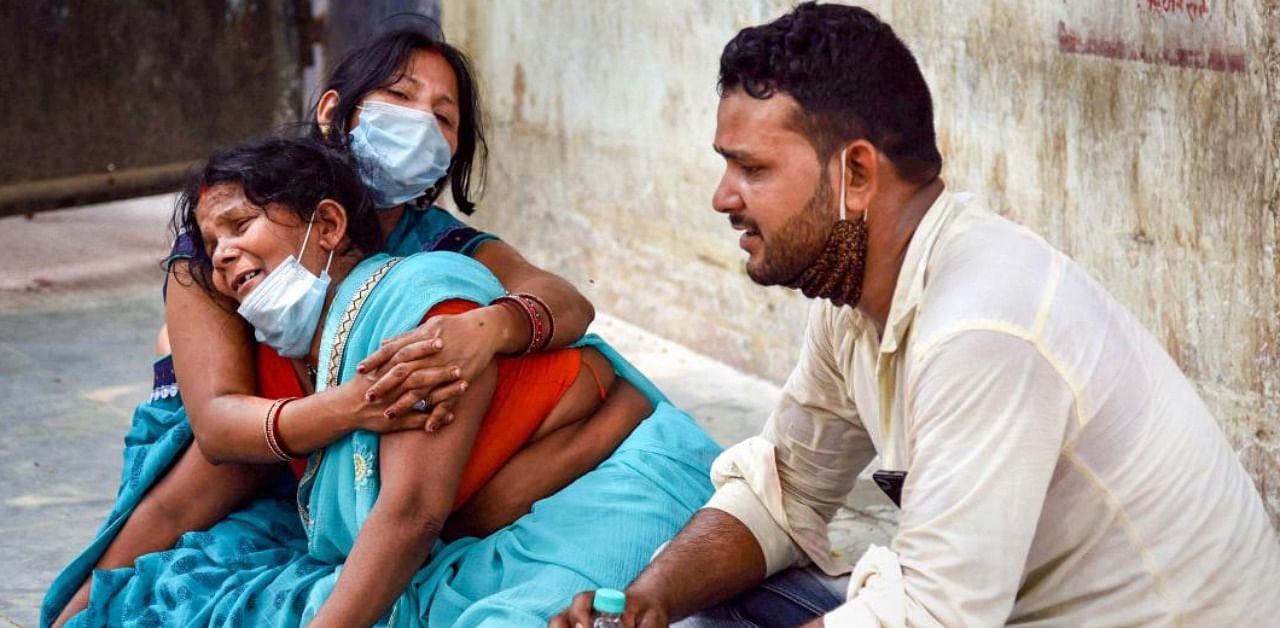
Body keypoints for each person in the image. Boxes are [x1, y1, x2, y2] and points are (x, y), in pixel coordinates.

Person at [552, 3, 1280, 626]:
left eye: (754, 168)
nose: (723, 196)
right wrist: (641, 605)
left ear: (857, 175)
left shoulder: (983, 328)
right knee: (713, 595)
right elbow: (787, 491)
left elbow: (930, 619)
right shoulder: (854, 288)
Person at [41, 26, 661, 626]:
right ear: (336, 109)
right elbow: (219, 429)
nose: (419, 122)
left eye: (443, 118)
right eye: (398, 96)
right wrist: (358, 404)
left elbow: (564, 303)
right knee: (169, 552)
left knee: (437, 488)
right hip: (243, 441)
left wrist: (488, 330)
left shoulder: (436, 253)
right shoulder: (234, 222)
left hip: (359, 448)